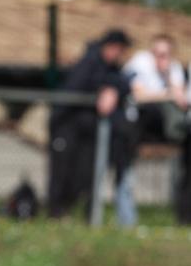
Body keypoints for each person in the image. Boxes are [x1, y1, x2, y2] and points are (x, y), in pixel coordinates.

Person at [48, 29, 132, 219]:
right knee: (62, 171)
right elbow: (75, 90)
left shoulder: (111, 68)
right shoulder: (89, 62)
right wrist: (101, 91)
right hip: (66, 127)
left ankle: (72, 212)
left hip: (86, 132)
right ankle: (56, 213)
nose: (119, 54)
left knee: (84, 174)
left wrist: (112, 90)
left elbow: (123, 83)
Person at [117, 34, 187, 226]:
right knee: (125, 170)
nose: (160, 58)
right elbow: (139, 95)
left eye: (164, 55)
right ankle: (126, 219)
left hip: (163, 127)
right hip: (135, 123)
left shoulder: (174, 69)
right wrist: (169, 93)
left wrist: (167, 79)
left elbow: (180, 100)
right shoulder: (141, 62)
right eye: (156, 53)